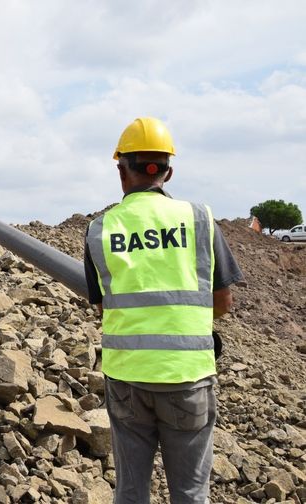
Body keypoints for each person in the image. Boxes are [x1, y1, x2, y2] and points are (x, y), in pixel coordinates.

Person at [84, 117, 243, 503]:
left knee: (132, 490)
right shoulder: (201, 220)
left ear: (122, 171)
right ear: (168, 172)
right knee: (190, 492)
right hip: (187, 377)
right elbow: (222, 302)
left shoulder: (100, 230)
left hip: (126, 380)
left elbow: (105, 306)